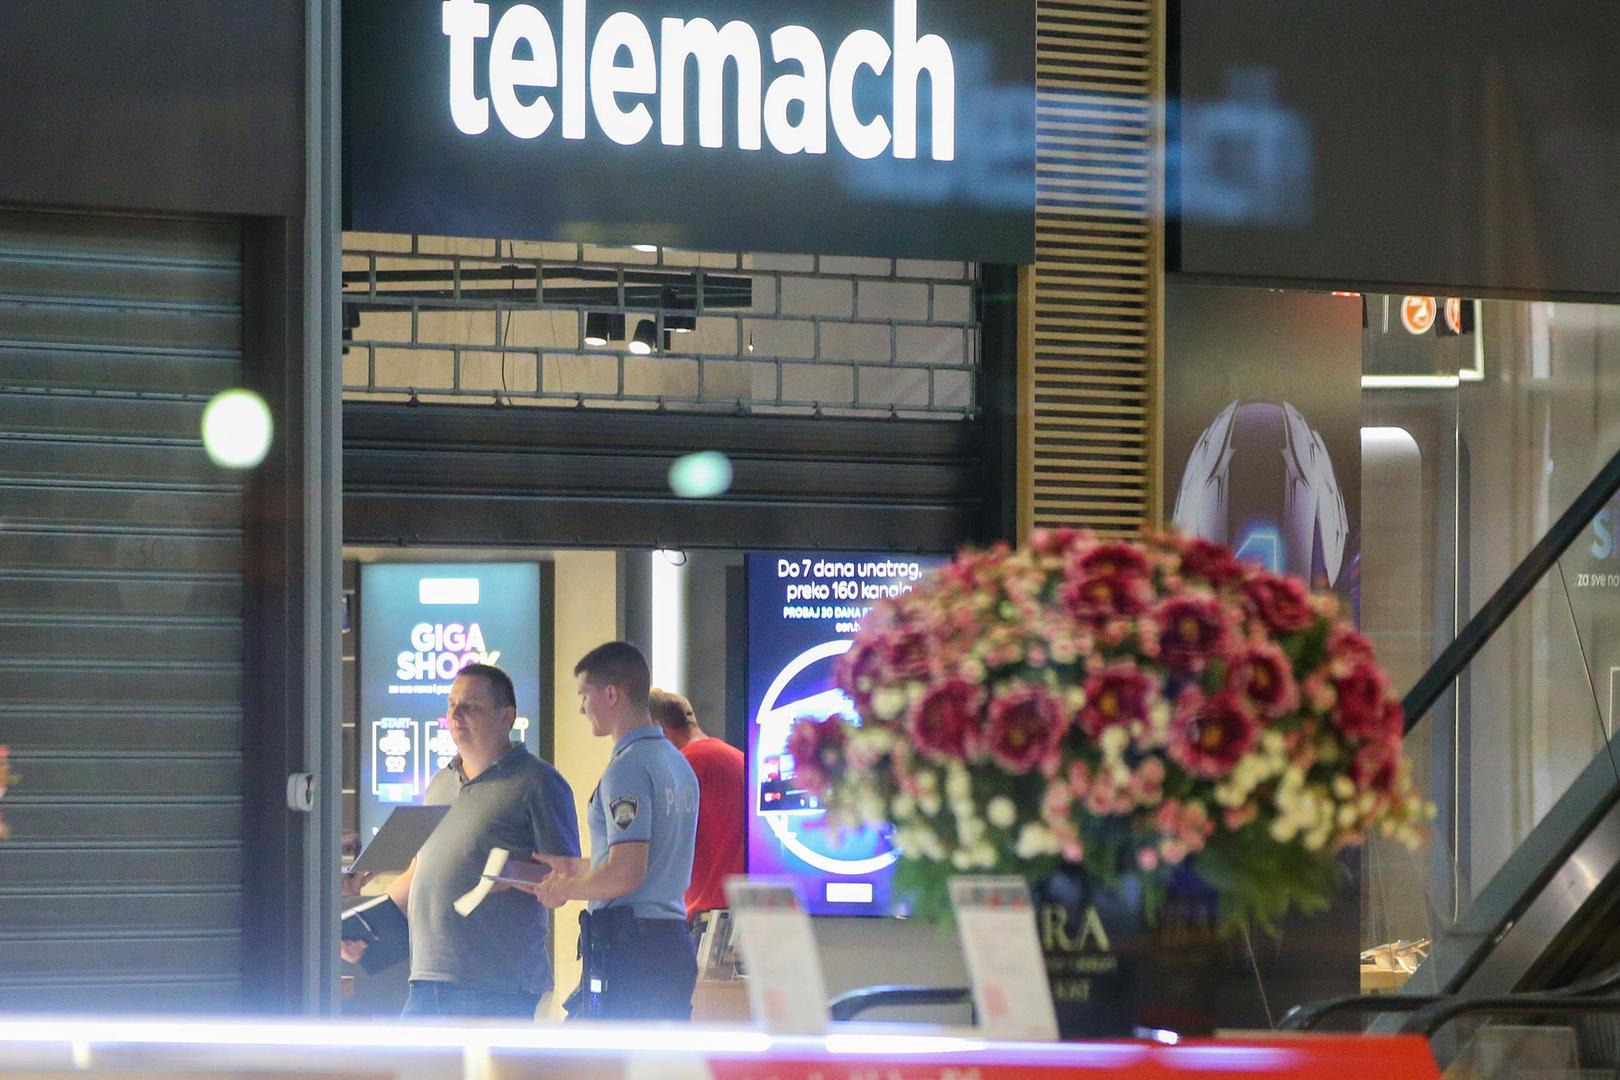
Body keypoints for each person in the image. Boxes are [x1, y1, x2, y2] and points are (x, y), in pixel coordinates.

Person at [340, 663, 579, 1019]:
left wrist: (509, 873)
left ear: (506, 717)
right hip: (427, 980)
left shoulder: (538, 782)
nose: (456, 715)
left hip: (494, 985)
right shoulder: (440, 783)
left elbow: (567, 876)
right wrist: (361, 928)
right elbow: (422, 872)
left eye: (471, 706)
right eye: (452, 705)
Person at [529, 642, 700, 1021]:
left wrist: (563, 889)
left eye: (584, 695)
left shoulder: (628, 768)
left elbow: (626, 873)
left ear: (611, 694)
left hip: (630, 950)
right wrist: (580, 868)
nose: (581, 708)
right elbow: (648, 860)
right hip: (670, 942)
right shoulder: (676, 763)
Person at [649, 688, 744, 925]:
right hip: (747, 912)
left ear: (658, 729)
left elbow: (662, 850)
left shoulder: (682, 765)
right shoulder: (738, 757)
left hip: (707, 918)